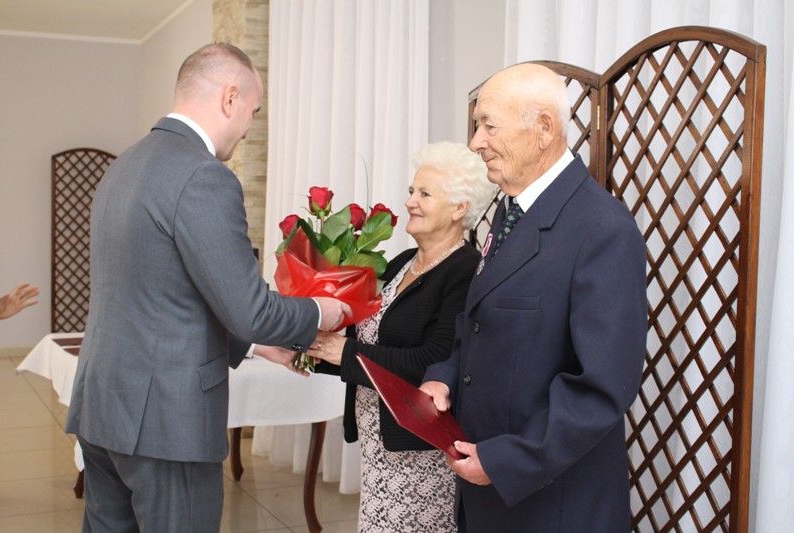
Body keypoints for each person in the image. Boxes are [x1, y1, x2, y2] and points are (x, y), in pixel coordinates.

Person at [65, 43, 349, 533]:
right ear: (230, 97)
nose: (249, 127)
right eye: (253, 112)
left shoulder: (124, 164)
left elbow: (162, 293)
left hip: (102, 404)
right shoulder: (203, 175)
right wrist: (323, 311)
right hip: (164, 422)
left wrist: (256, 346)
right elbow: (251, 310)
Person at [420, 64, 647, 532]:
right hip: (488, 497)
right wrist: (443, 378)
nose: (476, 142)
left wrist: (506, 460)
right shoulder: (509, 212)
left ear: (543, 128)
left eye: (489, 126)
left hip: (551, 505)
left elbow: (603, 386)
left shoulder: (603, 230)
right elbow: (479, 323)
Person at [306, 141, 497, 532]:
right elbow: (367, 345)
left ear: (459, 208)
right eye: (412, 190)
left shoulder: (466, 271)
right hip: (378, 444)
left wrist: (343, 352)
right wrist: (313, 351)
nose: (410, 201)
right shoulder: (399, 264)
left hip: (418, 452)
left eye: (425, 194)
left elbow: (433, 361)